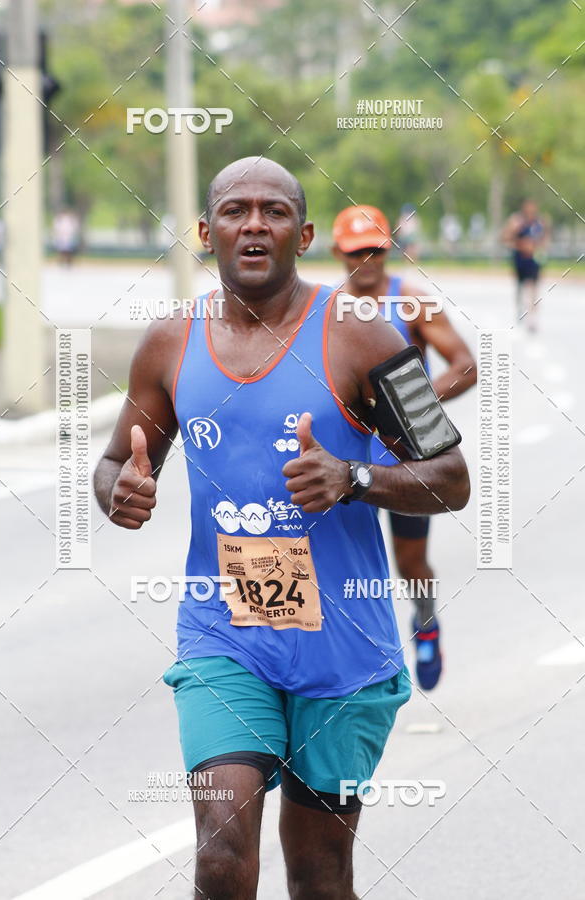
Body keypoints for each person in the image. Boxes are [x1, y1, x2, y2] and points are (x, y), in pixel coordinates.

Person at [94, 159, 470, 900]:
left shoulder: (366, 340)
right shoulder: (170, 342)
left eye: (273, 212)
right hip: (224, 637)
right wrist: (122, 492)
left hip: (345, 650)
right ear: (207, 233)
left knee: (320, 878)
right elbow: (112, 466)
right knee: (221, 858)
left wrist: (353, 478)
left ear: (302, 236)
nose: (254, 224)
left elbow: (451, 478)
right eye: (236, 211)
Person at [332, 205, 476, 691]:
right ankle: (351, 658)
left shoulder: (413, 303)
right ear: (337, 252)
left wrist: (411, 402)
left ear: (388, 249)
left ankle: (425, 617)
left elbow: (464, 365)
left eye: (374, 249)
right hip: (346, 466)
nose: (366, 260)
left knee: (409, 563)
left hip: (408, 463)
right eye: (355, 251)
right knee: (343, 564)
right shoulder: (326, 311)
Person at [502, 199, 549, 331]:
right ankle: (520, 308)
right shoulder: (516, 221)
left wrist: (537, 247)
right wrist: (520, 243)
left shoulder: (540, 222)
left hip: (534, 259)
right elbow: (505, 238)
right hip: (519, 259)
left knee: (533, 288)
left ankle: (532, 319)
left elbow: (545, 239)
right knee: (520, 287)